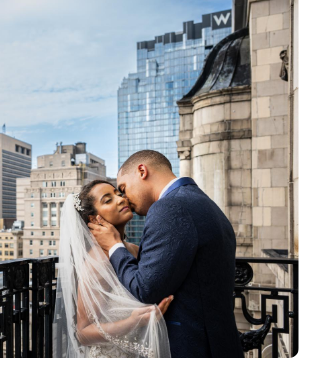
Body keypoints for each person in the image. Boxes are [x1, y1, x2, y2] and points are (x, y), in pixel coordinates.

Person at [88, 150, 244, 358]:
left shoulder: (169, 207)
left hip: (194, 346)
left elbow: (146, 289)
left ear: (142, 171)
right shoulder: (203, 202)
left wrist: (115, 245)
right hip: (218, 342)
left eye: (123, 189)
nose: (124, 198)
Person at [53, 180, 172, 358]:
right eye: (108, 200)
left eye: (118, 193)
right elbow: (83, 333)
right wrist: (134, 321)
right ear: (94, 219)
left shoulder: (135, 250)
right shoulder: (98, 260)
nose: (121, 199)